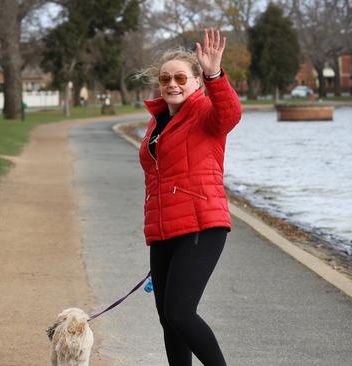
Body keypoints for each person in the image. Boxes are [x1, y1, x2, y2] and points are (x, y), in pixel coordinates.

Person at [138, 29, 242, 365]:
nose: (172, 84)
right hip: (164, 230)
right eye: (166, 78)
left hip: (201, 227)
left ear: (195, 81)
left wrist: (214, 74)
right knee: (168, 320)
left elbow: (230, 114)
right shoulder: (158, 122)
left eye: (181, 77)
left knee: (181, 312)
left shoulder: (205, 112)